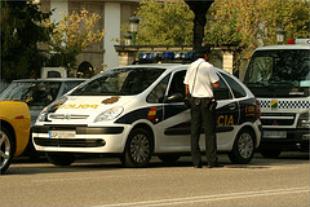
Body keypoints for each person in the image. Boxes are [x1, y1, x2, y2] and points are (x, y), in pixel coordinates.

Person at [183, 47, 221, 168]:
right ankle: (211, 161)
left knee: (194, 132)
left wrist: (189, 97)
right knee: (209, 132)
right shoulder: (208, 67)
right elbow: (216, 84)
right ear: (205, 55)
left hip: (194, 102)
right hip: (206, 102)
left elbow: (187, 85)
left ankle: (196, 161)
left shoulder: (191, 66)